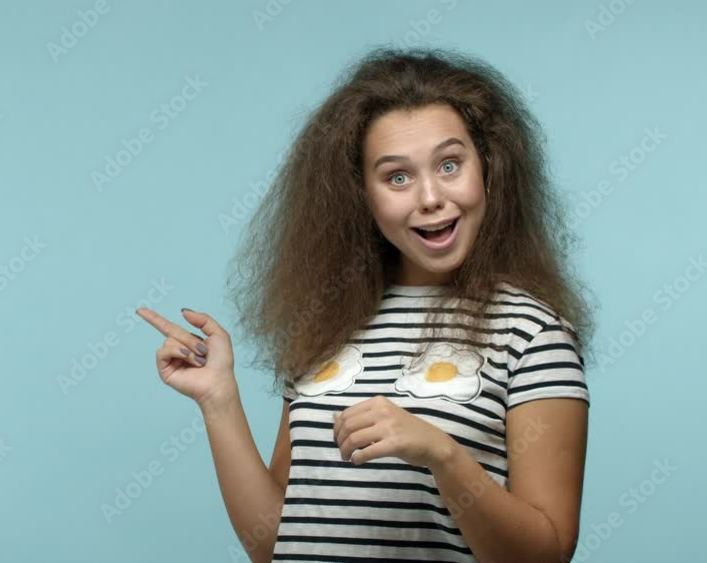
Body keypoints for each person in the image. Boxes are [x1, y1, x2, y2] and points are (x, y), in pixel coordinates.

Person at [137, 45, 593, 563]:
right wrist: (218, 400)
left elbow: (547, 555)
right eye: (397, 176)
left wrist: (442, 454)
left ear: (488, 169)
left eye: (450, 165)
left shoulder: (533, 334)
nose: (429, 197)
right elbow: (272, 544)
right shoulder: (329, 321)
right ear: (361, 194)